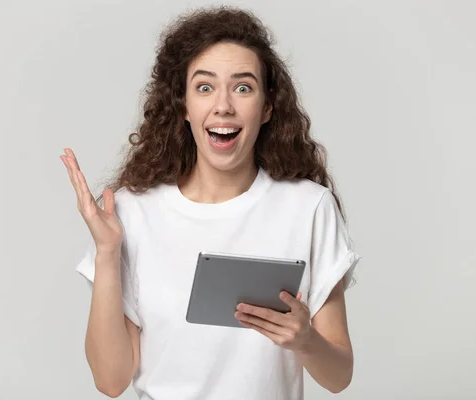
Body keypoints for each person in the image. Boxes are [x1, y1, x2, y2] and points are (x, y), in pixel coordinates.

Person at [61, 5, 362, 399]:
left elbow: (339, 376)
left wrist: (304, 340)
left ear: (267, 107)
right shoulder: (134, 212)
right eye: (204, 87)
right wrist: (106, 253)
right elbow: (111, 380)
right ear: (183, 105)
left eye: (243, 87)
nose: (223, 106)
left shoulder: (308, 208)